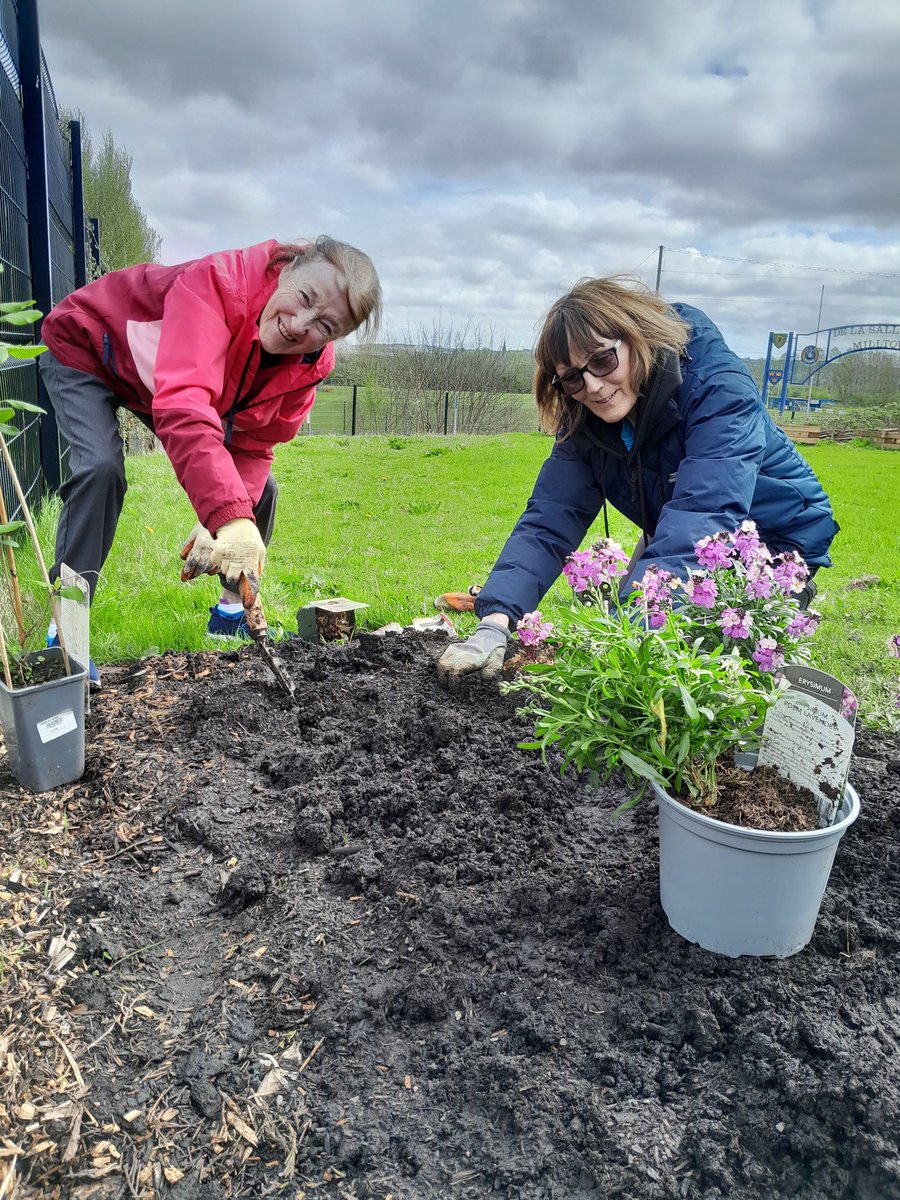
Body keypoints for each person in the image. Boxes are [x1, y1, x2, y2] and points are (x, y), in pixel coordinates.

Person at [437, 277, 838, 690]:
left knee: (709, 672)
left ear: (636, 338)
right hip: (676, 528)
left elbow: (705, 513)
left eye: (602, 361)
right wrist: (495, 622)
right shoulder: (586, 418)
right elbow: (549, 520)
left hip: (774, 546)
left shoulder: (717, 389)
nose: (591, 385)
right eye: (572, 378)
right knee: (629, 641)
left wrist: (633, 635)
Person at [39, 235, 381, 688]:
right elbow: (183, 405)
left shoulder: (308, 368)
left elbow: (257, 446)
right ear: (288, 269)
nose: (301, 324)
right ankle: (67, 638)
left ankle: (229, 614)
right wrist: (228, 514)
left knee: (262, 490)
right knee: (100, 469)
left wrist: (219, 521)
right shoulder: (218, 285)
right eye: (303, 298)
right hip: (89, 346)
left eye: (325, 325)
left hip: (154, 377)